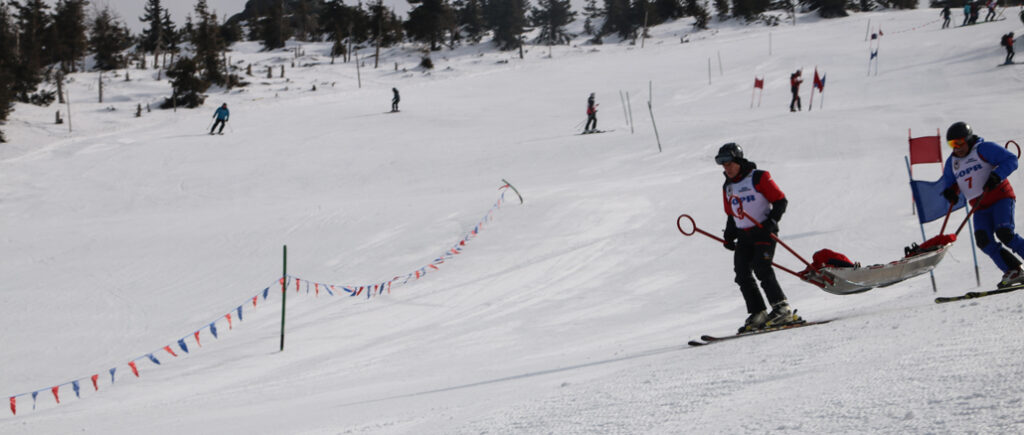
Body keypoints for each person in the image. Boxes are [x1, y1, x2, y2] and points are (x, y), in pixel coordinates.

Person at [716, 143, 800, 333]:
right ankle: (758, 312)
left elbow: (780, 201)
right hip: (744, 236)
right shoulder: (728, 186)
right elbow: (732, 213)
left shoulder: (758, 177)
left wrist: (771, 222)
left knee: (762, 267)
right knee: (742, 273)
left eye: (729, 163)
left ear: (738, 161)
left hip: (763, 232)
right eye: (722, 164)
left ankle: (782, 308)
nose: (726, 168)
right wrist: (729, 235)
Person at [940, 122, 1024, 288]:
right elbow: (948, 182)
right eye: (952, 144)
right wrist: (950, 192)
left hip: (1000, 197)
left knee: (1005, 233)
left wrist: (996, 176)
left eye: (959, 143)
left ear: (969, 139)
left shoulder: (983, 149)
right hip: (979, 206)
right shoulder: (953, 162)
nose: (956, 148)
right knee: (983, 240)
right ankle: (1014, 270)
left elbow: (1011, 159)